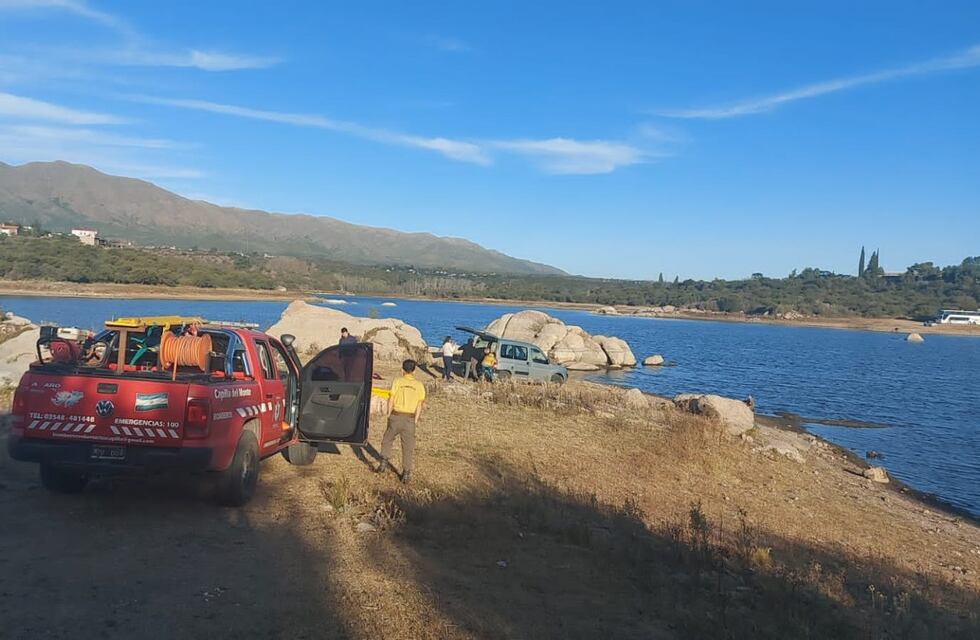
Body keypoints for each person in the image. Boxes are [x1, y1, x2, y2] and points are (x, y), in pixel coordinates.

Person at [377, 359, 426, 483]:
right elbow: (420, 404)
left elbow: (391, 399)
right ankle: (406, 473)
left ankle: (383, 463)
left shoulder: (397, 382)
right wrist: (415, 419)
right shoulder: (419, 385)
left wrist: (389, 413)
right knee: (408, 447)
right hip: (409, 418)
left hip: (396, 415)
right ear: (414, 371)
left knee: (387, 440)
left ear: (402, 370)